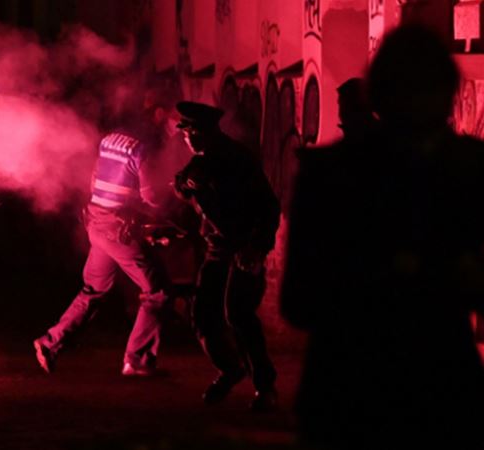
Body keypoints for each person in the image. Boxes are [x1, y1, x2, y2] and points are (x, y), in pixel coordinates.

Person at [281, 25, 484, 449]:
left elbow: (300, 302)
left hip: (346, 395)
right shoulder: (469, 169)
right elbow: (299, 302)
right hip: (438, 395)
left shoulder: (327, 174)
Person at [33, 95, 172, 377]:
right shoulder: (140, 150)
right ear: (153, 117)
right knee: (158, 291)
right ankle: (137, 361)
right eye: (166, 119)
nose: (169, 126)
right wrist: (171, 192)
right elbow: (152, 197)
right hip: (116, 229)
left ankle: (50, 343)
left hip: (96, 222)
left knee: (94, 290)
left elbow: (96, 182)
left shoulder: (107, 141)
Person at [173, 101, 280, 410]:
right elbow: (181, 182)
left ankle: (265, 386)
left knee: (238, 314)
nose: (185, 139)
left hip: (243, 248)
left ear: (199, 132)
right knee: (203, 314)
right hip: (217, 250)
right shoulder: (201, 161)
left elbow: (268, 206)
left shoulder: (237, 160)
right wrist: (187, 185)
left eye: (188, 132)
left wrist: (257, 246)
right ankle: (230, 370)